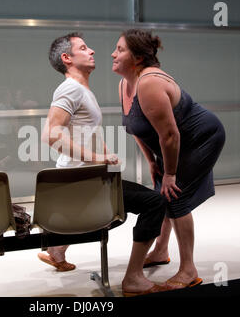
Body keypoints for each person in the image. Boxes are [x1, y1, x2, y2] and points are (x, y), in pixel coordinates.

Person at [37, 32, 168, 296]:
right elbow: (50, 133)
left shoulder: (82, 89)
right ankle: (133, 278)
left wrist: (107, 158)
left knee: (128, 199)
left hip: (85, 177)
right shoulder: (71, 88)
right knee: (156, 203)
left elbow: (87, 132)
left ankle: (57, 250)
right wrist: (98, 159)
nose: (93, 51)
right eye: (83, 48)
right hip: (82, 181)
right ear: (67, 58)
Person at [111, 29, 226, 290]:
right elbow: (134, 126)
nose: (113, 54)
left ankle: (188, 270)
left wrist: (170, 174)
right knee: (159, 195)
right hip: (173, 143)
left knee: (175, 195)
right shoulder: (124, 84)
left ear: (138, 58)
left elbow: (170, 135)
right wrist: (151, 162)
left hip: (201, 138)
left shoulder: (149, 83)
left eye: (120, 49)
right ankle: (161, 251)